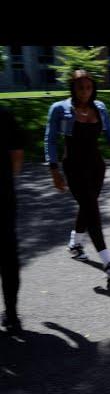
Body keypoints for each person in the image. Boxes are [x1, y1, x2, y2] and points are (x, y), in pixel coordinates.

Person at [44, 69, 110, 279]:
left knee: (87, 206)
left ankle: (75, 244)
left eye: (88, 87)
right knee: (92, 209)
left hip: (96, 166)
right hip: (73, 166)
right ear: (73, 88)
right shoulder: (60, 109)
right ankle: (108, 262)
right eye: (80, 87)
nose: (85, 92)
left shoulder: (99, 108)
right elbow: (50, 140)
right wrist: (54, 170)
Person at [0, 106, 25, 334]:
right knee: (8, 257)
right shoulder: (5, 114)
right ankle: (11, 312)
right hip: (3, 196)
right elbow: (17, 155)